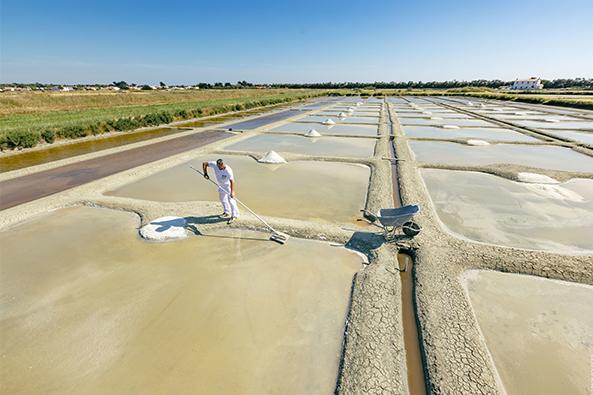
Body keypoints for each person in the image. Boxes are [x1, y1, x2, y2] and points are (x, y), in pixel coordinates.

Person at [202, 159, 240, 224]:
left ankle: (235, 215)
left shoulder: (228, 170)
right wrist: (205, 173)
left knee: (231, 200)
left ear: (223, 164)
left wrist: (232, 192)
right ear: (217, 165)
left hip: (228, 186)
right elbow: (204, 163)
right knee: (222, 199)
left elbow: (232, 181)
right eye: (219, 167)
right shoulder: (214, 165)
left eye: (221, 167)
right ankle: (227, 212)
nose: (220, 168)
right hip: (221, 185)